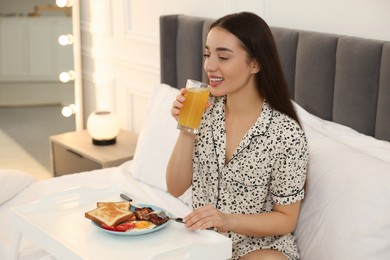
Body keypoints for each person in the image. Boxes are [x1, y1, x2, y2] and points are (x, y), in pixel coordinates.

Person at [166, 12, 308, 260]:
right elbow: (175, 187)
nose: (210, 66)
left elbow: (286, 219)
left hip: (260, 249)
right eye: (207, 54)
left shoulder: (286, 134)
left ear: (255, 63)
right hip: (204, 243)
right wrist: (187, 127)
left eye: (223, 56)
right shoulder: (204, 109)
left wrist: (226, 220)